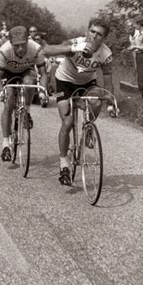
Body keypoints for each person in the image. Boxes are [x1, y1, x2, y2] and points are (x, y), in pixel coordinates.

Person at [43, 17, 114, 186]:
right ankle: (64, 163)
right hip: (64, 81)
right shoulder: (76, 43)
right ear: (86, 31)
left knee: (97, 101)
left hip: (86, 83)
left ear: (103, 39)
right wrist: (74, 48)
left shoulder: (106, 54)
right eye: (92, 32)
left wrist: (110, 101)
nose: (95, 36)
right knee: (67, 122)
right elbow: (47, 51)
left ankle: (88, 128)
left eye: (99, 35)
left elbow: (108, 80)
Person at [0, 26, 48, 162]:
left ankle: (26, 111)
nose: (21, 49)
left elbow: (43, 74)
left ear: (28, 40)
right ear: (10, 43)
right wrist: (1, 92)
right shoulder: (4, 51)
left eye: (23, 45)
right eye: (16, 46)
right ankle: (6, 144)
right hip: (8, 73)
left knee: (30, 81)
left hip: (26, 71)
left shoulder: (35, 48)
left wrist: (42, 90)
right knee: (9, 103)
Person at [127, 15, 143, 106]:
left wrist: (135, 47)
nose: (134, 26)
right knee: (140, 80)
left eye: (135, 24)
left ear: (139, 24)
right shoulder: (141, 32)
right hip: (138, 56)